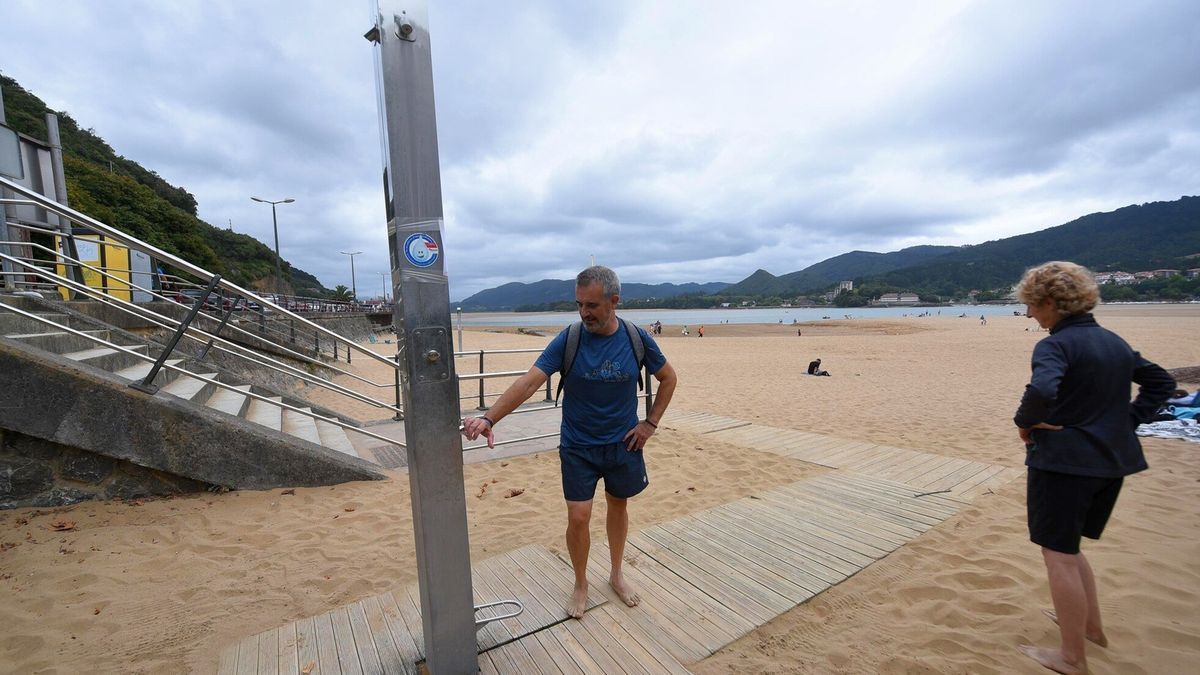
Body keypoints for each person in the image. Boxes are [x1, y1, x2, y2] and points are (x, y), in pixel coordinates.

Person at [461, 266, 678, 620]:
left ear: (614, 301)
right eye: (579, 304)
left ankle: (617, 574)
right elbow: (529, 382)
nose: (583, 313)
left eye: (591, 305)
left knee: (618, 506)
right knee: (579, 517)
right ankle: (580, 582)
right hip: (578, 445)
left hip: (624, 444)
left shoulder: (636, 338)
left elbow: (668, 378)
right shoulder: (569, 339)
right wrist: (489, 418)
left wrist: (650, 424)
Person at [1012, 261, 1174, 674]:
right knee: (1070, 548)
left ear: (1050, 303)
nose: (1030, 315)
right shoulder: (1113, 341)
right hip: (1111, 463)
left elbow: (1042, 390)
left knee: (1058, 555)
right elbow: (1161, 382)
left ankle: (1071, 658)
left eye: (1032, 306)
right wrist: (1127, 421)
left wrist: (1025, 422)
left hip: (1066, 462)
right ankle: (1090, 629)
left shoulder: (1055, 344)